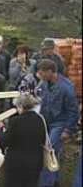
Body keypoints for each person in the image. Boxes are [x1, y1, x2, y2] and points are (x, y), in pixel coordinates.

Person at [37, 59, 79, 187]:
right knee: (51, 152)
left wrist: (68, 130)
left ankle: (45, 184)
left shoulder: (66, 88)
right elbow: (43, 100)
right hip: (46, 122)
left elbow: (73, 111)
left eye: (42, 73)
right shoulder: (45, 83)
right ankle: (53, 181)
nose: (40, 76)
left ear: (51, 71)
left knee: (49, 152)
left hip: (59, 124)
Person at [0, 93, 45, 187]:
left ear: (20, 106)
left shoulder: (16, 121)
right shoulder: (41, 119)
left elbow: (6, 141)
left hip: (17, 163)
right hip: (35, 162)